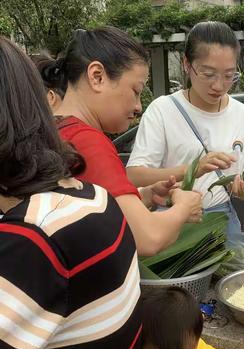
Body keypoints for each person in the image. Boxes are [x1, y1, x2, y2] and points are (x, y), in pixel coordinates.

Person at [0, 36, 141, 349]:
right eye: (136, 91)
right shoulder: (88, 196)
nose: (139, 106)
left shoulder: (36, 239)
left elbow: (151, 235)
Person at [51, 27, 203, 257]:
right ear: (97, 76)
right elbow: (148, 238)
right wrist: (183, 207)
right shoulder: (88, 143)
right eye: (136, 91)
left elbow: (88, 213)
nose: (138, 106)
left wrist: (144, 196)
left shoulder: (55, 129)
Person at [126, 21, 244, 244]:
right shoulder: (163, 109)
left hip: (221, 223)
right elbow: (134, 175)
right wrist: (192, 170)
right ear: (187, 65)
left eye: (229, 75)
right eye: (208, 74)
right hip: (171, 223)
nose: (219, 85)